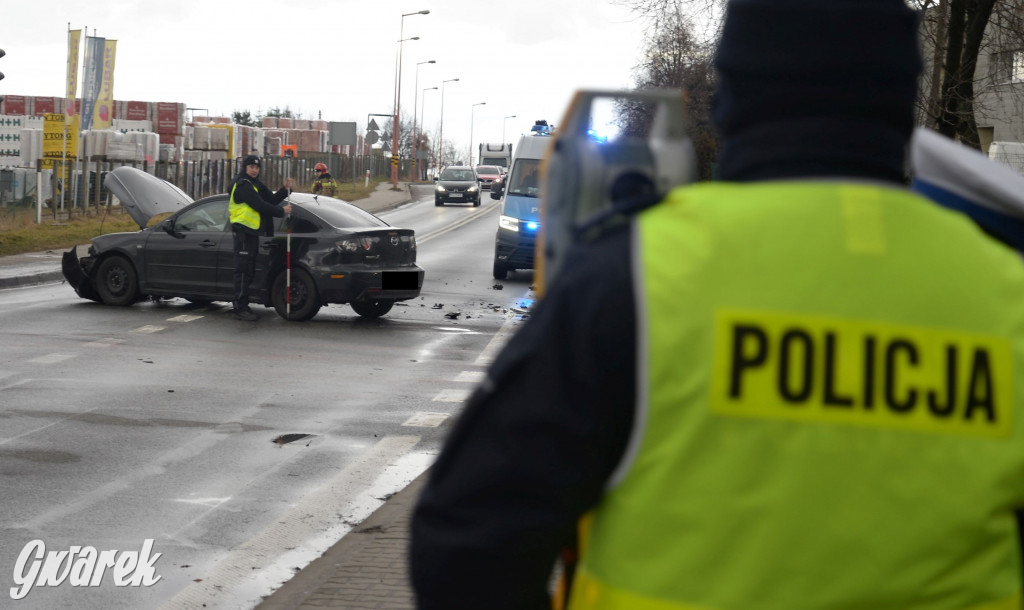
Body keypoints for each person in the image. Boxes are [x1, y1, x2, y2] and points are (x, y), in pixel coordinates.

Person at [410, 1, 1024, 609]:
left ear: (732, 98)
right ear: (901, 97)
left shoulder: (635, 277)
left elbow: (464, 545)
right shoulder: (1005, 294)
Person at [229, 154, 293, 321]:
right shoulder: (242, 185)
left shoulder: (255, 184)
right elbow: (259, 205)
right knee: (243, 271)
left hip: (252, 233)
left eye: (257, 168)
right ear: (245, 168)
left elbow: (270, 199)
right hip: (242, 232)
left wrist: (285, 189)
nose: (255, 170)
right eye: (251, 167)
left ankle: (243, 305)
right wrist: (281, 211)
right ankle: (239, 308)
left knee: (248, 270)